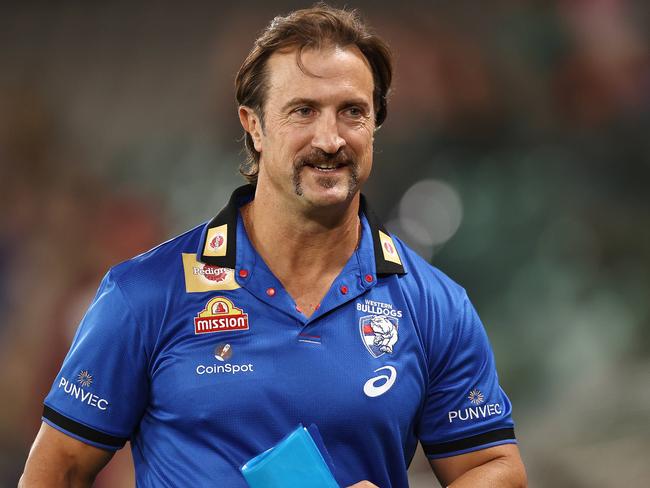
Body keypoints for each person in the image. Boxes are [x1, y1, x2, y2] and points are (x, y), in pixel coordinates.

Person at [19, 4, 527, 487]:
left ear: (375, 125)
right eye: (303, 111)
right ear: (254, 126)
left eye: (351, 111)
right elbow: (57, 469)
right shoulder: (146, 294)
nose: (329, 139)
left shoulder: (434, 305)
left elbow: (495, 467)